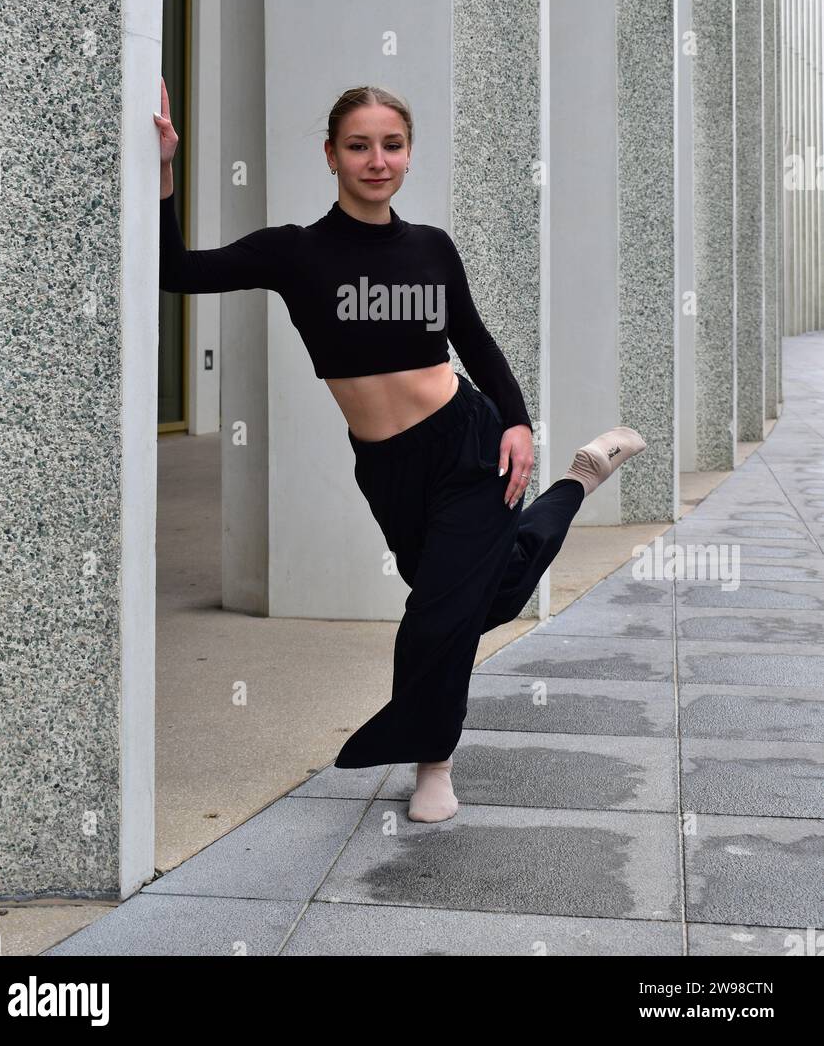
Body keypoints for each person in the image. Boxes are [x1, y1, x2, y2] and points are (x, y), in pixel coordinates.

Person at [154, 79, 646, 823]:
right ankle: (580, 478)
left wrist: (517, 423)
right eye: (358, 146)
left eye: (391, 145)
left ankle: (433, 767)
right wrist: (163, 174)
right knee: (494, 595)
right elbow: (177, 273)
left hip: (467, 443)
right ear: (331, 154)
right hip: (386, 467)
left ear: (408, 155)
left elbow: (472, 340)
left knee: (436, 618)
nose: (375, 160)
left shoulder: (430, 248)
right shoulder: (294, 253)